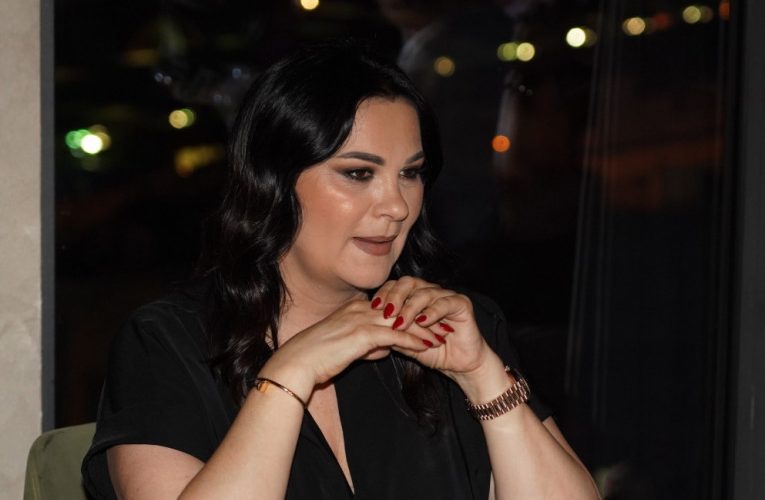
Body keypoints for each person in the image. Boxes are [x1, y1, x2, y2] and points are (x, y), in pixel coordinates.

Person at [82, 41, 600, 500]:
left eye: (411, 174)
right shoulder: (169, 343)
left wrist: (484, 376)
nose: (397, 205)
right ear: (273, 181)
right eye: (358, 173)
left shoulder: (450, 327)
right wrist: (289, 375)